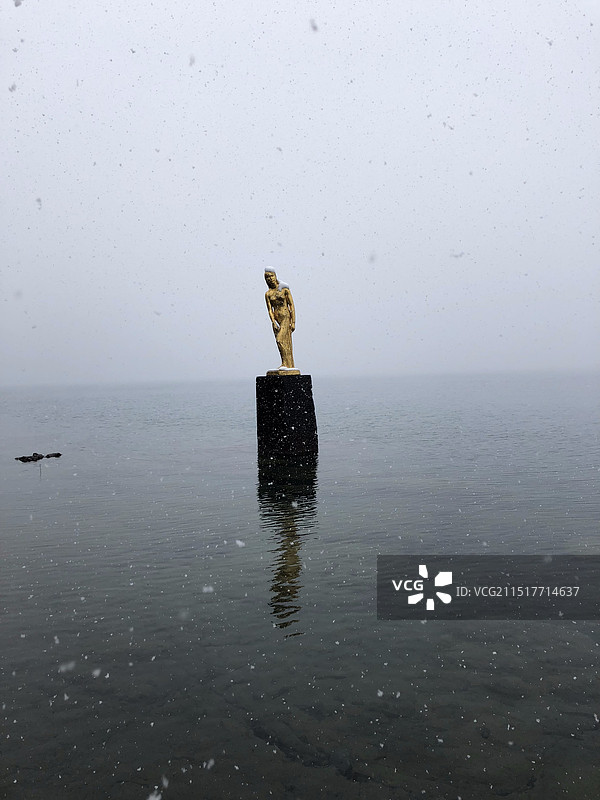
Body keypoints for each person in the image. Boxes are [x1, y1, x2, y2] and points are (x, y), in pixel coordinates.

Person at [264, 269, 296, 370]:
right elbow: (270, 309)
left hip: (285, 316)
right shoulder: (268, 294)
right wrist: (273, 321)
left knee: (280, 339)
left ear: (275, 276)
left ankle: (286, 363)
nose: (270, 279)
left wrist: (293, 321)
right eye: (267, 278)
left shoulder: (284, 289)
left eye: (271, 276)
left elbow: (291, 305)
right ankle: (285, 363)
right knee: (280, 342)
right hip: (277, 319)